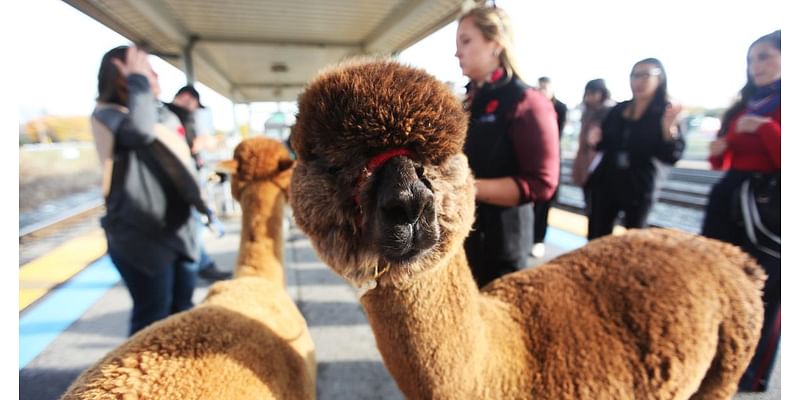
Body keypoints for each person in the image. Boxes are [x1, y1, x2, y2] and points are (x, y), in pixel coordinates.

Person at [90, 46, 210, 335]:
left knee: (182, 312)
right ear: (120, 74)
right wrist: (139, 80)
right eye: (144, 67)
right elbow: (141, 131)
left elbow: (184, 143)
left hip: (178, 232)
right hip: (140, 238)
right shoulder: (107, 116)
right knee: (152, 318)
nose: (153, 74)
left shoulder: (157, 111)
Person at [456, 6, 560, 287]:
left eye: (465, 41)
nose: (457, 53)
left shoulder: (527, 102)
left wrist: (462, 187)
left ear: (495, 44)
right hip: (462, 240)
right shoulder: (468, 101)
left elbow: (542, 183)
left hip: (501, 248)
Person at [701, 30, 780, 392]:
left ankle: (753, 371)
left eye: (764, 57)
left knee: (768, 288)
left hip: (771, 205)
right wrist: (718, 149)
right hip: (730, 197)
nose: (755, 67)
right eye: (751, 59)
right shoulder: (743, 105)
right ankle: (716, 355)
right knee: (719, 278)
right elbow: (721, 162)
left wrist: (766, 130)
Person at [585, 58, 684, 239]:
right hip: (607, 180)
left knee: (635, 238)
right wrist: (595, 139)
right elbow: (604, 143)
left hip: (639, 185)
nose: (638, 81)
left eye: (645, 75)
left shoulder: (666, 112)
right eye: (634, 75)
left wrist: (668, 130)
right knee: (597, 233)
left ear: (660, 78)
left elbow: (672, 155)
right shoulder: (618, 110)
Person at [165, 85, 232, 282]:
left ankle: (202, 265)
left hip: (184, 180)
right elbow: (190, 146)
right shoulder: (174, 117)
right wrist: (201, 143)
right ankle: (201, 266)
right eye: (194, 104)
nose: (194, 109)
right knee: (192, 224)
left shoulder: (170, 115)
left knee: (193, 224)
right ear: (187, 97)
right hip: (182, 181)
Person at [530, 76, 568, 257]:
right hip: (529, 160)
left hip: (548, 161)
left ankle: (538, 239)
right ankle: (529, 237)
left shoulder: (560, 107)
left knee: (544, 204)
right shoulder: (529, 105)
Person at [572, 79, 614, 224]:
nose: (590, 97)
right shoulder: (587, 112)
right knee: (590, 204)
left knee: (599, 207)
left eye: (593, 93)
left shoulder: (610, 111)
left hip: (600, 165)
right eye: (588, 93)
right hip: (585, 163)